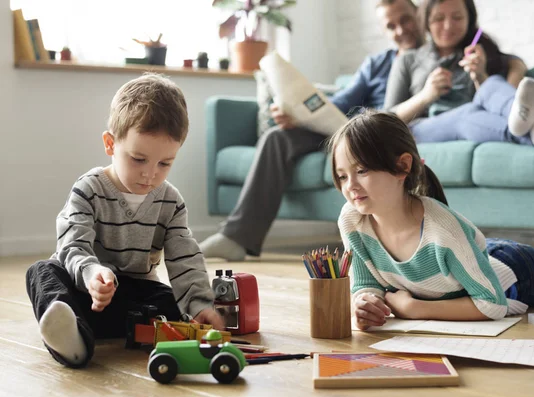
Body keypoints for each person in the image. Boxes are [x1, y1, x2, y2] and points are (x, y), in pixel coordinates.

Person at [329, 111, 534, 330]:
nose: (350, 186)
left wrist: (415, 309)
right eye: (342, 176)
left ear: (402, 167)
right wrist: (365, 302)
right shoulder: (353, 220)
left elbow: (492, 304)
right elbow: (365, 283)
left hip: (520, 274)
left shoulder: (443, 229)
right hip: (476, 260)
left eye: (361, 170)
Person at [199, 0, 424, 261]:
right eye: (391, 25)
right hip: (346, 130)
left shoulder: (429, 60)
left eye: (405, 20)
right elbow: (341, 102)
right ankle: (236, 237)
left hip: (381, 136)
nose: (400, 30)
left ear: (419, 16)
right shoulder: (378, 63)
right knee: (277, 137)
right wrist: (299, 115)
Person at [25, 74, 224, 368]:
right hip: (85, 290)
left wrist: (200, 305)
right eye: (138, 159)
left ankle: (117, 328)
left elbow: (184, 256)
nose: (150, 174)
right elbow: (73, 247)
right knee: (41, 272)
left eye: (165, 163)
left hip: (132, 296)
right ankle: (73, 339)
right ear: (110, 144)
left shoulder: (170, 201)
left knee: (169, 301)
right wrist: (93, 274)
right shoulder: (88, 189)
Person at [384, 0, 534, 149]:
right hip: (421, 128)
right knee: (467, 113)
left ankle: (532, 116)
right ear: (426, 22)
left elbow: (514, 62)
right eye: (439, 18)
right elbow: (386, 119)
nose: (448, 26)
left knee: (491, 83)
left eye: (457, 17)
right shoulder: (408, 60)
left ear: (469, 20)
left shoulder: (480, 52)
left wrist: (480, 76)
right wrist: (426, 95)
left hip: (477, 118)